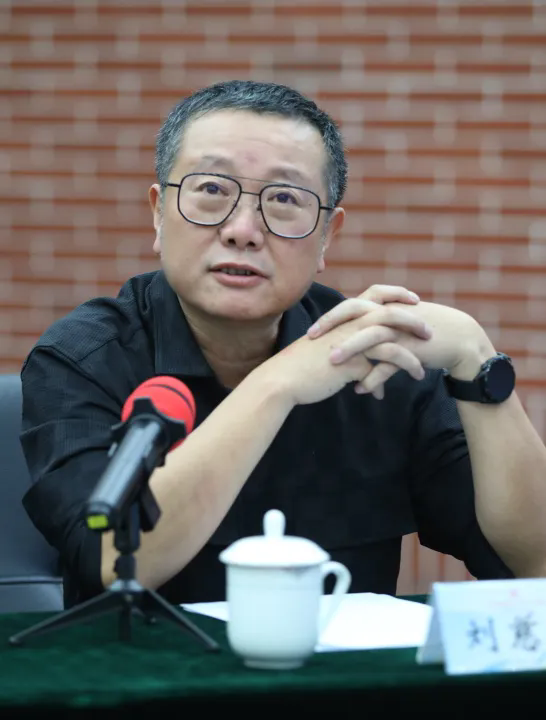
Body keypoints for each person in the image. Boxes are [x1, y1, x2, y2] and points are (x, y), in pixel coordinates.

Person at [20, 80, 546, 609]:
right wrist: (277, 384)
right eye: (211, 190)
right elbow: (115, 559)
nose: (243, 230)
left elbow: (534, 564)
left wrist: (477, 359)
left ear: (327, 236)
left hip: (341, 665)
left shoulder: (377, 362)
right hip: (137, 663)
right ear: (159, 212)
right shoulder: (83, 357)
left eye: (285, 199)